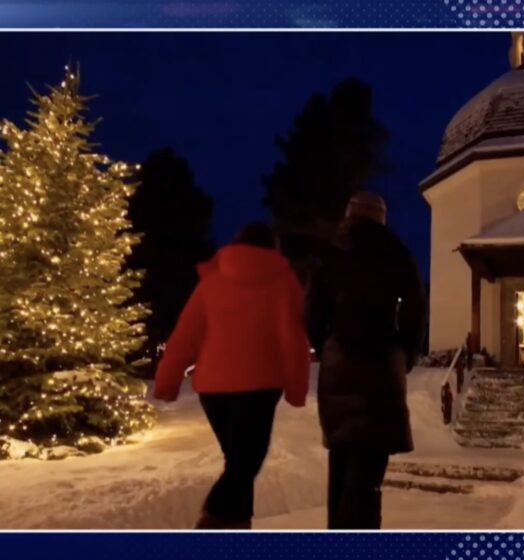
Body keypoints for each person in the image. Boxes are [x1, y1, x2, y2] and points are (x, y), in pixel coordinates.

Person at [153, 222, 311, 529]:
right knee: (244, 464)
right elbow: (293, 339)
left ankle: (237, 531)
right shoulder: (283, 280)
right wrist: (295, 388)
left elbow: (186, 334)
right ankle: (210, 525)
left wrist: (167, 380)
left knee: (238, 460)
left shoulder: (213, 282)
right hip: (260, 388)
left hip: (214, 390)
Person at [306, 191, 426, 529]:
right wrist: (405, 354)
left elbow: (311, 313)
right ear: (381, 219)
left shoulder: (328, 255)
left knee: (341, 460)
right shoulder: (398, 254)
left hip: (338, 365)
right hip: (381, 366)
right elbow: (416, 312)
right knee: (369, 470)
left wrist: (329, 344)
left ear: (349, 215)